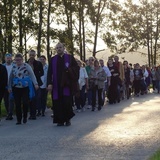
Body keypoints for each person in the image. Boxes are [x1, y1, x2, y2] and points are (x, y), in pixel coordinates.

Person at [47, 42, 79, 126]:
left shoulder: (70, 58)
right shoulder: (53, 59)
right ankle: (60, 120)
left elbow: (76, 68)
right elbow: (49, 72)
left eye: (60, 47)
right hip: (56, 85)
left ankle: (67, 119)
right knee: (57, 102)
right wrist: (49, 83)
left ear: (64, 48)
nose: (58, 49)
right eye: (57, 48)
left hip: (66, 85)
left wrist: (70, 70)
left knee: (66, 102)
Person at [8, 53, 39, 125]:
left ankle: (25, 116)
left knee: (25, 102)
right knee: (17, 104)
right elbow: (10, 77)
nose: (18, 61)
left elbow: (32, 75)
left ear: (22, 60)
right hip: (16, 87)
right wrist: (9, 87)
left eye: (19, 60)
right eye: (16, 60)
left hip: (25, 87)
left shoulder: (26, 66)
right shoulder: (14, 67)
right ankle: (19, 119)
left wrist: (36, 84)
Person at [27, 50, 44, 120]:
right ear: (28, 55)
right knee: (29, 98)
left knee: (35, 98)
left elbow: (42, 73)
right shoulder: (25, 63)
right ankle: (31, 112)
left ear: (35, 55)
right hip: (28, 83)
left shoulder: (38, 63)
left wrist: (36, 76)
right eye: (30, 55)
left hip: (36, 83)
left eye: (33, 55)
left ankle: (35, 113)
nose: (31, 56)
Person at [3, 53, 15, 120]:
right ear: (5, 59)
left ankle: (10, 113)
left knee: (11, 99)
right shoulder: (2, 66)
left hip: (12, 85)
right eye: (7, 58)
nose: (9, 59)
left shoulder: (14, 66)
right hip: (4, 85)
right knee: (6, 100)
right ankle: (8, 112)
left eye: (10, 58)